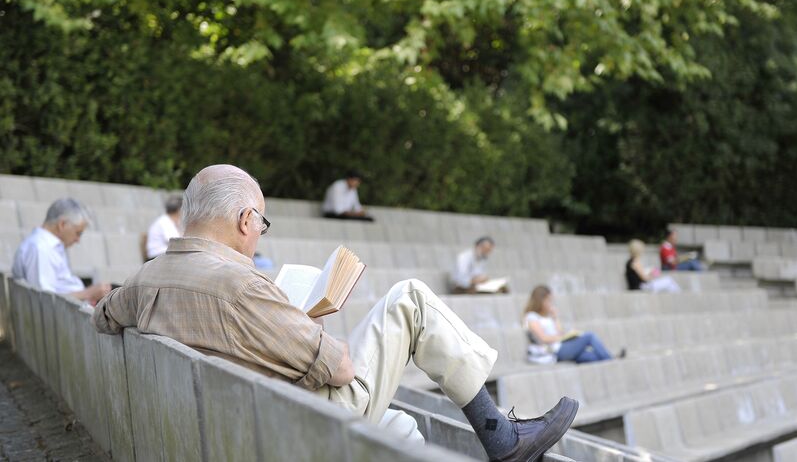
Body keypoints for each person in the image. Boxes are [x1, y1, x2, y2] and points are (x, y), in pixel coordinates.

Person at [92, 165, 577, 461]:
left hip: (233, 422)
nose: (260, 232)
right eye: (260, 222)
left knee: (400, 429)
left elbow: (103, 317)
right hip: (286, 421)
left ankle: (502, 439)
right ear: (244, 221)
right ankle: (502, 439)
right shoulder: (240, 286)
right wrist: (303, 321)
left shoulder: (144, 278)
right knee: (410, 300)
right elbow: (340, 368)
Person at [12, 198, 112, 303]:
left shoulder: (48, 246)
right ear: (62, 224)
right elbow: (45, 301)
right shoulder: (40, 249)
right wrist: (88, 293)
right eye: (78, 233)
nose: (78, 240)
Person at [523, 286, 625, 364]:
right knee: (590, 336)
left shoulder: (548, 317)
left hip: (560, 346)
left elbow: (560, 332)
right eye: (548, 300)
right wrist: (561, 338)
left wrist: (555, 318)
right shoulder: (531, 317)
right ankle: (611, 360)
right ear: (541, 300)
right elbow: (543, 338)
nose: (550, 303)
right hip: (553, 351)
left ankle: (610, 358)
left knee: (589, 357)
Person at [145, 195, 183, 260]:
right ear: (179, 210)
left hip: (165, 256)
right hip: (158, 256)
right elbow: (175, 241)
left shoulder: (168, 221)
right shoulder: (165, 221)